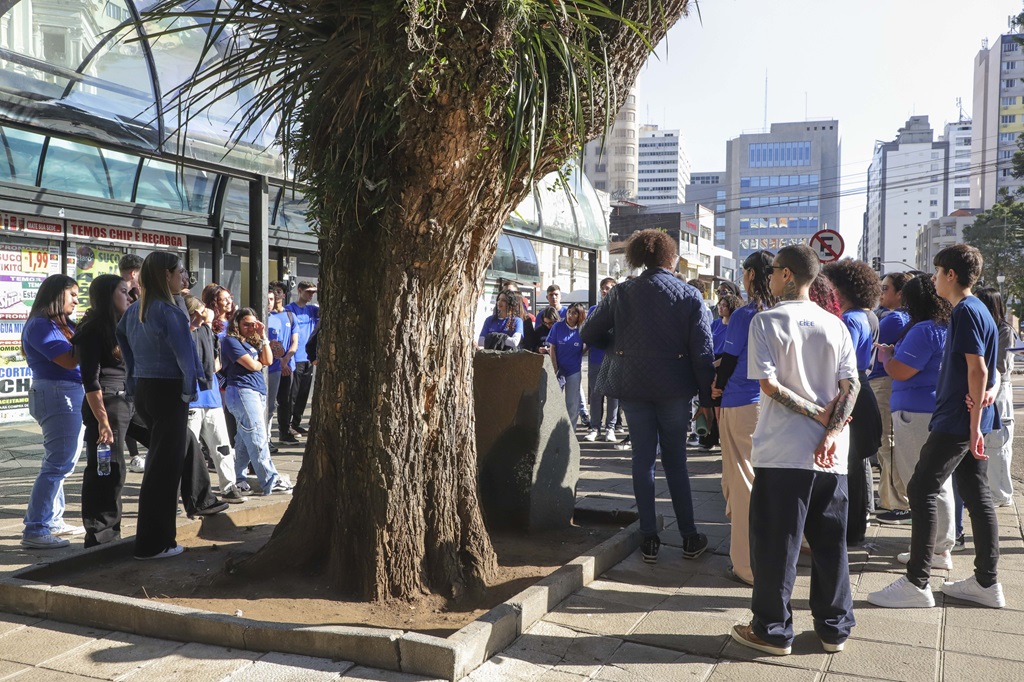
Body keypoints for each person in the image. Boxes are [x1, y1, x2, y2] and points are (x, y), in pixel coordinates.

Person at [730, 244, 859, 657]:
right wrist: (831, 430)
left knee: (776, 544)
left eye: (772, 273)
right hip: (831, 456)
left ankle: (771, 629)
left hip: (783, 451)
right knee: (829, 544)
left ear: (786, 274)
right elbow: (850, 387)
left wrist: (817, 418)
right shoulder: (835, 325)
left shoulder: (766, 322)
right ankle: (834, 629)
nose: (768, 279)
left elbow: (768, 386)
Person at [868, 244, 1005, 609]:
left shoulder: (965, 311)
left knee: (922, 487)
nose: (932, 278)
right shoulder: (981, 310)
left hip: (957, 422)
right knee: (975, 496)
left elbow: (978, 369)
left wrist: (974, 426)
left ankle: (917, 581)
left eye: (937, 270)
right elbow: (991, 372)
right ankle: (986, 582)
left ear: (951, 275)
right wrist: (987, 398)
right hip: (966, 420)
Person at [581, 229, 715, 564]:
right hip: (675, 389)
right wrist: (707, 400)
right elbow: (702, 353)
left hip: (633, 388)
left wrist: (618, 348)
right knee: (676, 463)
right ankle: (689, 537)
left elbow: (588, 332)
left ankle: (649, 539)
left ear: (641, 258)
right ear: (671, 258)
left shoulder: (622, 292)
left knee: (642, 462)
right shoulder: (689, 296)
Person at [116, 252, 204, 560]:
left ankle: (153, 541)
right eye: (180, 271)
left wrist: (132, 377)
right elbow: (184, 355)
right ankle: (156, 543)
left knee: (159, 467)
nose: (185, 277)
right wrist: (189, 390)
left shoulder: (137, 310)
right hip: (168, 390)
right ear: (166, 275)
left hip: (145, 388)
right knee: (165, 471)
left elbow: (121, 338)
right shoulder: (168, 310)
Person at [874, 274, 955, 570]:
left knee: (920, 485)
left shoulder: (924, 329)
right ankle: (937, 547)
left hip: (915, 413)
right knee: (937, 482)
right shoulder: (947, 326)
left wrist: (886, 356)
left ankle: (931, 550)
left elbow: (899, 371)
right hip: (936, 409)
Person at [713, 251, 778, 586]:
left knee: (742, 484)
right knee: (766, 484)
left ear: (752, 274)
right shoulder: (784, 312)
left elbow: (728, 359)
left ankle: (747, 567)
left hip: (742, 401)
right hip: (777, 405)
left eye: (743, 272)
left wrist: (716, 388)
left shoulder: (746, 315)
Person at [20, 274, 85, 549]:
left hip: (66, 393)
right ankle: (35, 528)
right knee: (58, 464)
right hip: (57, 393)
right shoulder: (40, 325)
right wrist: (92, 333)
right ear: (57, 295)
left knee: (62, 463)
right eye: (72, 295)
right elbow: (69, 360)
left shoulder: (61, 324)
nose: (76, 300)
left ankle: (52, 519)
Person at [822, 259, 882, 546]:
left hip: (852, 393)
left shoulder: (848, 320)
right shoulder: (866, 315)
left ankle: (851, 530)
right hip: (862, 390)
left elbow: (838, 363)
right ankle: (857, 527)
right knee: (858, 464)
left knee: (850, 466)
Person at [73, 275, 137, 547]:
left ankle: (200, 498)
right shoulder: (93, 328)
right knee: (109, 469)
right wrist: (102, 421)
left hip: (131, 400)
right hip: (107, 403)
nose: (129, 297)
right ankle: (101, 534)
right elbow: (91, 379)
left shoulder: (125, 324)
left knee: (179, 440)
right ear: (108, 295)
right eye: (124, 292)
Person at [222, 308, 294, 496]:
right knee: (257, 437)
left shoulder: (253, 341)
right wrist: (259, 362)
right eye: (245, 324)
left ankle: (239, 479)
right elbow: (254, 365)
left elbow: (268, 360)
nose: (249, 328)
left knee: (244, 440)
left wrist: (263, 337)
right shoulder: (230, 341)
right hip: (242, 391)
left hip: (256, 392)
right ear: (236, 323)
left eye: (253, 324)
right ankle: (270, 480)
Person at [184, 295, 245, 504]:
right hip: (191, 400)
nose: (204, 314)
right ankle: (187, 492)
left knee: (222, 445)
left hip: (211, 398)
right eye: (199, 311)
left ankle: (229, 486)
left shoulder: (208, 332)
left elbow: (217, 363)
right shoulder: (182, 333)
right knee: (189, 450)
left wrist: (207, 368)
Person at [872, 272, 913, 523]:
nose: (881, 292)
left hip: (883, 382)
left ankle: (898, 502)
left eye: (886, 288)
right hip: (886, 382)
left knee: (887, 442)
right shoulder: (899, 317)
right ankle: (890, 498)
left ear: (900, 293)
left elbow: (868, 344)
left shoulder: (895, 319)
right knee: (886, 442)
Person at [975, 287, 1016, 507]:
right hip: (985, 387)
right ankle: (991, 491)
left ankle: (1000, 494)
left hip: (998, 389)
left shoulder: (1004, 330)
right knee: (987, 440)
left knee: (998, 443)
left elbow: (999, 366)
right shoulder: (984, 327)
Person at [584, 278, 619, 443]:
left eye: (608, 288)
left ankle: (610, 428)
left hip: (615, 358)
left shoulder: (621, 310)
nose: (605, 291)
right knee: (596, 394)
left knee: (613, 395)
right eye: (602, 289)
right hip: (596, 358)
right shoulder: (593, 310)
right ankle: (594, 427)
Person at [266, 283, 299, 446]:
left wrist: (286, 360)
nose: (276, 296)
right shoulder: (265, 318)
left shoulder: (290, 316)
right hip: (272, 367)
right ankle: (267, 437)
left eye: (279, 293)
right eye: (272, 294)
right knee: (269, 403)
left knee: (286, 400)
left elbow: (295, 342)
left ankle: (284, 432)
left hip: (287, 366)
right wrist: (280, 362)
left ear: (284, 295)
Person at [285, 281, 319, 435]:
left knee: (304, 392)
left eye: (313, 292)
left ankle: (296, 422)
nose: (310, 295)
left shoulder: (312, 310)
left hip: (309, 357)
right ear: (299, 291)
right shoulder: (290, 310)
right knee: (293, 393)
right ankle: (287, 424)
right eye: (308, 292)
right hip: (295, 357)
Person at [547, 303, 587, 430]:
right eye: (569, 311)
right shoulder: (558, 326)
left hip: (574, 371)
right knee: (554, 401)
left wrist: (580, 352)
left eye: (574, 313)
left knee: (572, 403)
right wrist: (554, 367)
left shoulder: (582, 329)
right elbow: (552, 347)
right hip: (559, 370)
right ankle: (553, 430)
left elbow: (587, 346)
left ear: (579, 316)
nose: (570, 315)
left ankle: (571, 432)